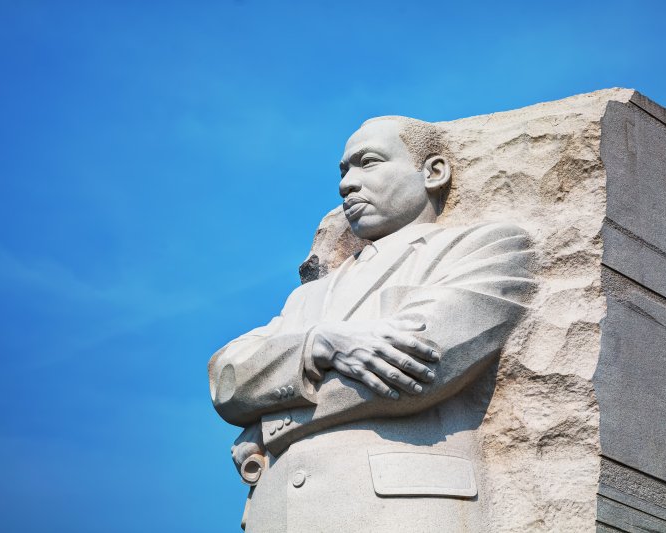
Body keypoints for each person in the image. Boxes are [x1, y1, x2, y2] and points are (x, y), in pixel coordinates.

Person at [208, 116, 535, 532]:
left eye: (368, 163)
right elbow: (227, 377)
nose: (347, 183)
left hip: (401, 508)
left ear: (433, 172)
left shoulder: (486, 248)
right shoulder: (307, 297)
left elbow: (415, 369)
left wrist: (267, 422)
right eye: (343, 171)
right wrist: (318, 345)